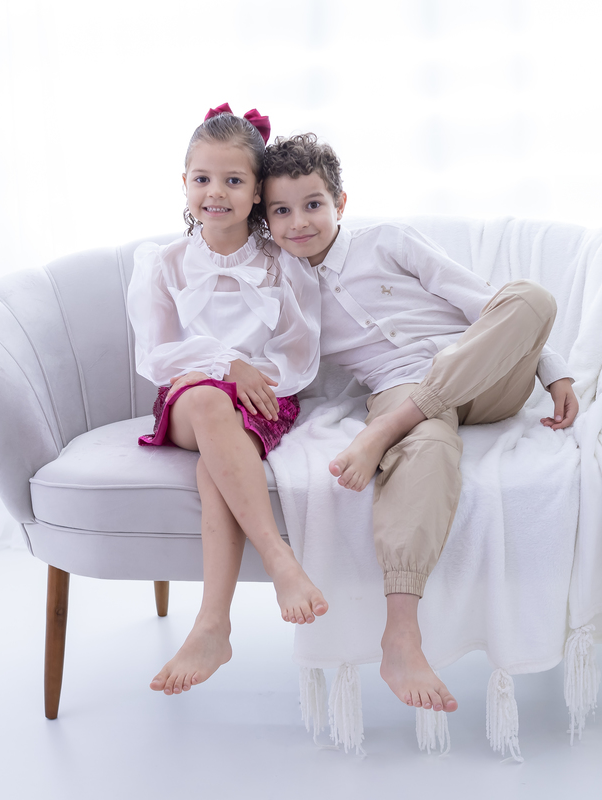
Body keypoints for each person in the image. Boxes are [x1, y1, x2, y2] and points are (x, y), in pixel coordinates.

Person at [262, 133, 578, 715]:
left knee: (530, 296)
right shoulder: (280, 286)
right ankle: (401, 636)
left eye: (313, 204)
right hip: (398, 388)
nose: (299, 221)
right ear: (266, 219)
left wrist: (552, 371)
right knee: (429, 449)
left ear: (340, 203)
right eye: (281, 210)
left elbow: (486, 305)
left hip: (484, 372)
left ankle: (384, 432)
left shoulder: (388, 242)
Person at [127, 106, 328, 697]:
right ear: (184, 183)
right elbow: (157, 355)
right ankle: (279, 557)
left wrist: (252, 376)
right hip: (190, 397)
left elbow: (300, 353)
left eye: (234, 181)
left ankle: (213, 625)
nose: (216, 192)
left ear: (257, 192)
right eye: (203, 178)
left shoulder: (281, 264)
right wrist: (224, 365)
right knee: (212, 408)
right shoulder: (162, 264)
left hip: (265, 399)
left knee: (218, 461)